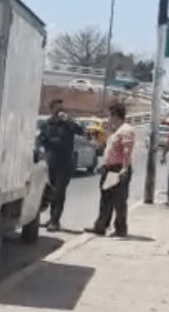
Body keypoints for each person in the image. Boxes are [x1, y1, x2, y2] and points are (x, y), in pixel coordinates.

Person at [85, 104, 135, 237]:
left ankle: (120, 228)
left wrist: (124, 168)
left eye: (110, 115)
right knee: (106, 198)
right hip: (110, 168)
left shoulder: (126, 130)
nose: (108, 119)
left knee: (118, 199)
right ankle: (101, 226)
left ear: (116, 116)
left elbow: (127, 150)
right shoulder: (116, 131)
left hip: (118, 168)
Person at [38, 98, 84, 232]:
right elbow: (42, 139)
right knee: (50, 192)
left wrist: (69, 120)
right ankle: (51, 217)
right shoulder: (47, 124)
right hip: (50, 162)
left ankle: (55, 221)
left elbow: (80, 131)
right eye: (57, 109)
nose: (60, 112)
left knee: (59, 193)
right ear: (51, 109)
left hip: (64, 164)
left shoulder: (68, 124)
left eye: (62, 110)